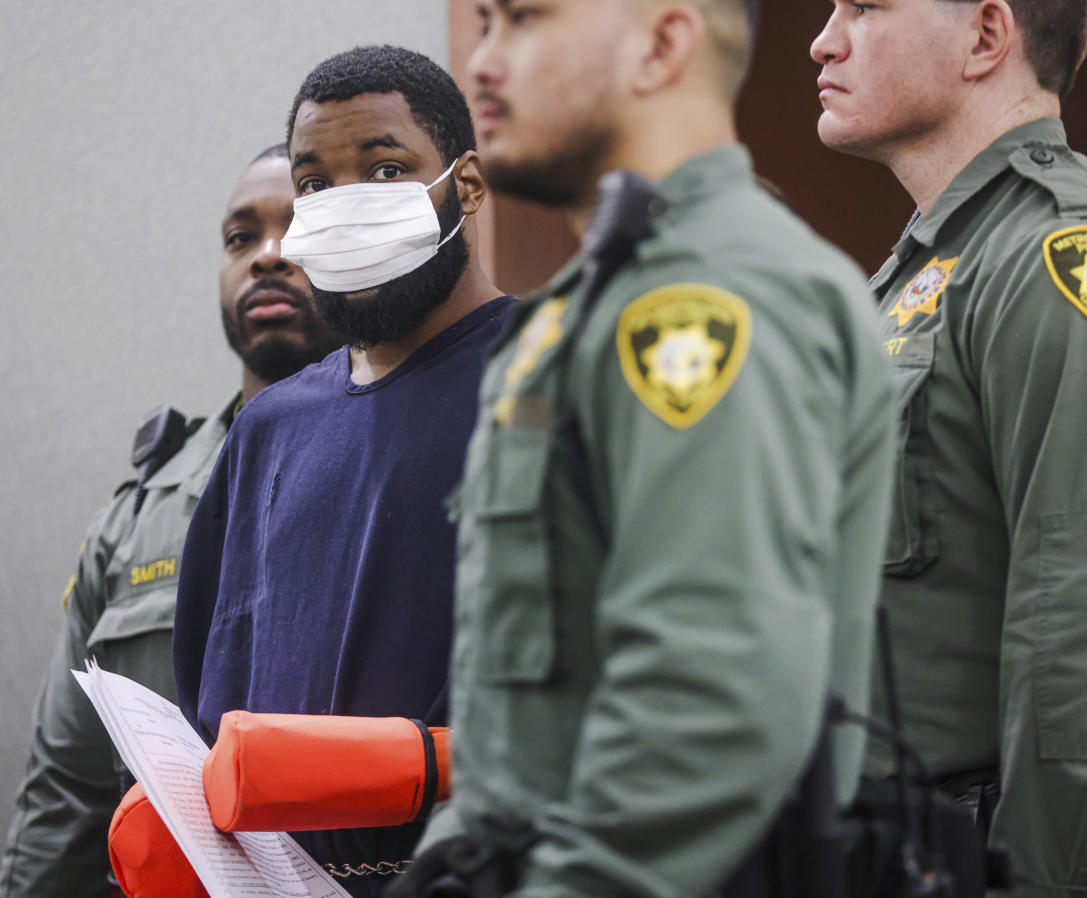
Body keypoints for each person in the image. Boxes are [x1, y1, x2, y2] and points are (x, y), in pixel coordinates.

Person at [396, 1, 895, 896]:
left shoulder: (714, 295)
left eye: (522, 20)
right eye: (482, 22)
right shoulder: (579, 310)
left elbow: (707, 711)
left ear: (665, 44)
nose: (482, 61)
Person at [811, 1, 1087, 895]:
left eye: (864, 6)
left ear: (986, 35)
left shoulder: (1070, 256)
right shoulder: (930, 269)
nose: (825, 38)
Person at [172, 45, 515, 897]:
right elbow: (209, 700)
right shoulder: (270, 429)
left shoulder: (554, 375)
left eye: (386, 168)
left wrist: (423, 765)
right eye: (315, 184)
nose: (340, 205)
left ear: (466, 186)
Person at [0, 144, 341, 898]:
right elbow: (67, 795)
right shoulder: (137, 522)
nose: (267, 257)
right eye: (240, 238)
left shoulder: (419, 468)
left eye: (300, 227)